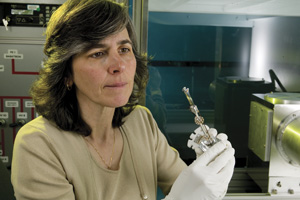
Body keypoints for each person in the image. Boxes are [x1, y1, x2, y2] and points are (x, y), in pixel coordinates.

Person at [11, 0, 235, 200]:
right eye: (98, 53)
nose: (120, 66)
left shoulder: (140, 122)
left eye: (124, 49)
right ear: (66, 73)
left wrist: (209, 171)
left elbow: (188, 188)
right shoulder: (38, 144)